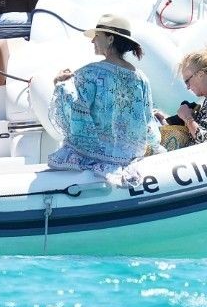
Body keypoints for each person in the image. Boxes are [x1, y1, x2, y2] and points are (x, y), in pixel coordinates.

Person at [46, 14, 161, 185]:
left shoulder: (90, 73)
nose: (92, 41)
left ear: (110, 39)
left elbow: (74, 108)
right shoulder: (141, 78)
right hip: (129, 158)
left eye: (96, 36)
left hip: (93, 158)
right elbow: (147, 121)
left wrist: (59, 84)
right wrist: (156, 146)